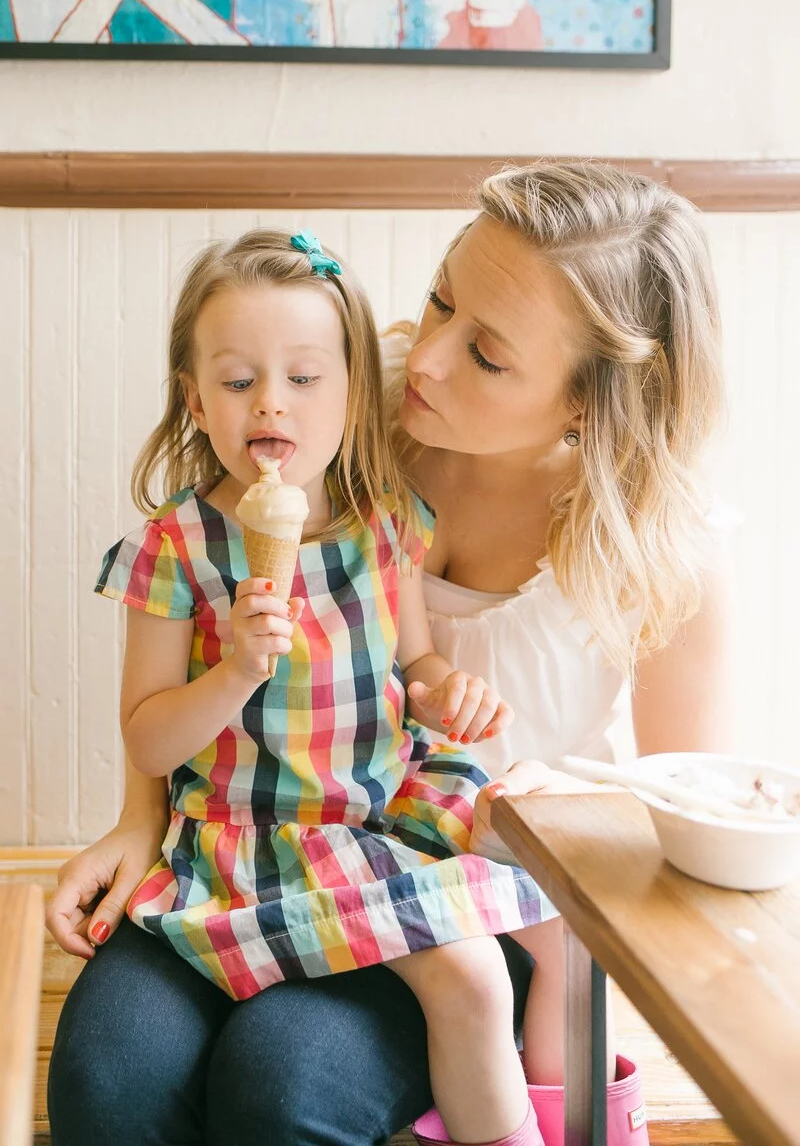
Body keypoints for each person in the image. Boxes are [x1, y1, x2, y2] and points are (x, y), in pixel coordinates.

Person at [47, 162, 731, 1146]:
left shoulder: (664, 547)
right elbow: (191, 604)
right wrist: (134, 817)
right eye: (438, 299)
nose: (428, 359)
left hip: (480, 891)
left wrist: (573, 799)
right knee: (109, 1072)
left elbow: (685, 822)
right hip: (262, 846)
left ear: (591, 402)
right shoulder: (347, 419)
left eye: (487, 355)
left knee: (277, 1080)